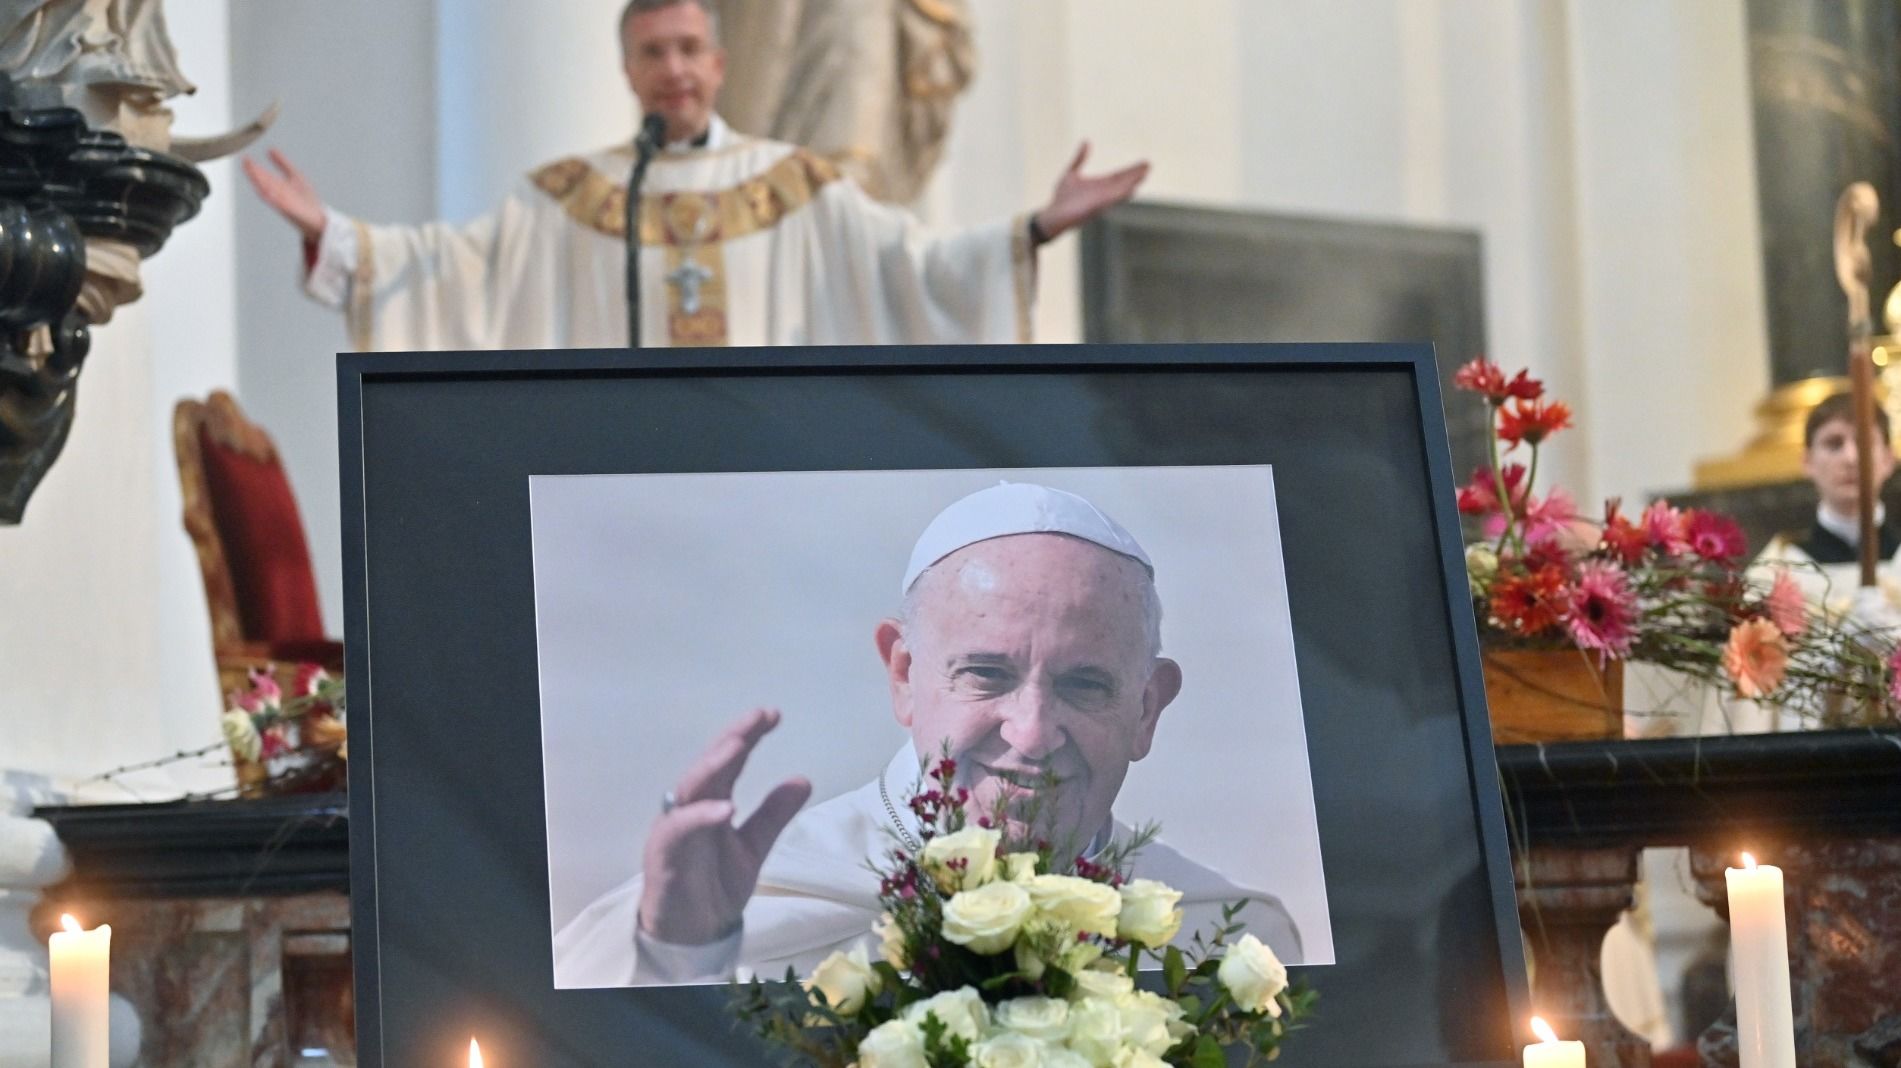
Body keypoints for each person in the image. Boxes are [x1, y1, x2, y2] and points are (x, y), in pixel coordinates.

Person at [552, 482, 1305, 987]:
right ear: (904, 674)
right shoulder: (733, 911)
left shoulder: (1227, 939)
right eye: (985, 674)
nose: (1033, 732)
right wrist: (683, 958)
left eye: (1084, 684)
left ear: (1147, 709)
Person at [241, 0, 1148, 351]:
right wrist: (337, 235)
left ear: (716, 64)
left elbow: (912, 269)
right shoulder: (571, 196)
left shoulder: (795, 183)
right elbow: (457, 268)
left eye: (686, 49)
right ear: (628, 71)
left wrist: (1032, 228)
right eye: (651, 53)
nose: (671, 68)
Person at [1749, 392, 1901, 626]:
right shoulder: (1777, 570)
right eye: (1834, 444)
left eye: (1864, 443)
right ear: (1807, 462)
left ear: (1889, 459)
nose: (1850, 458)